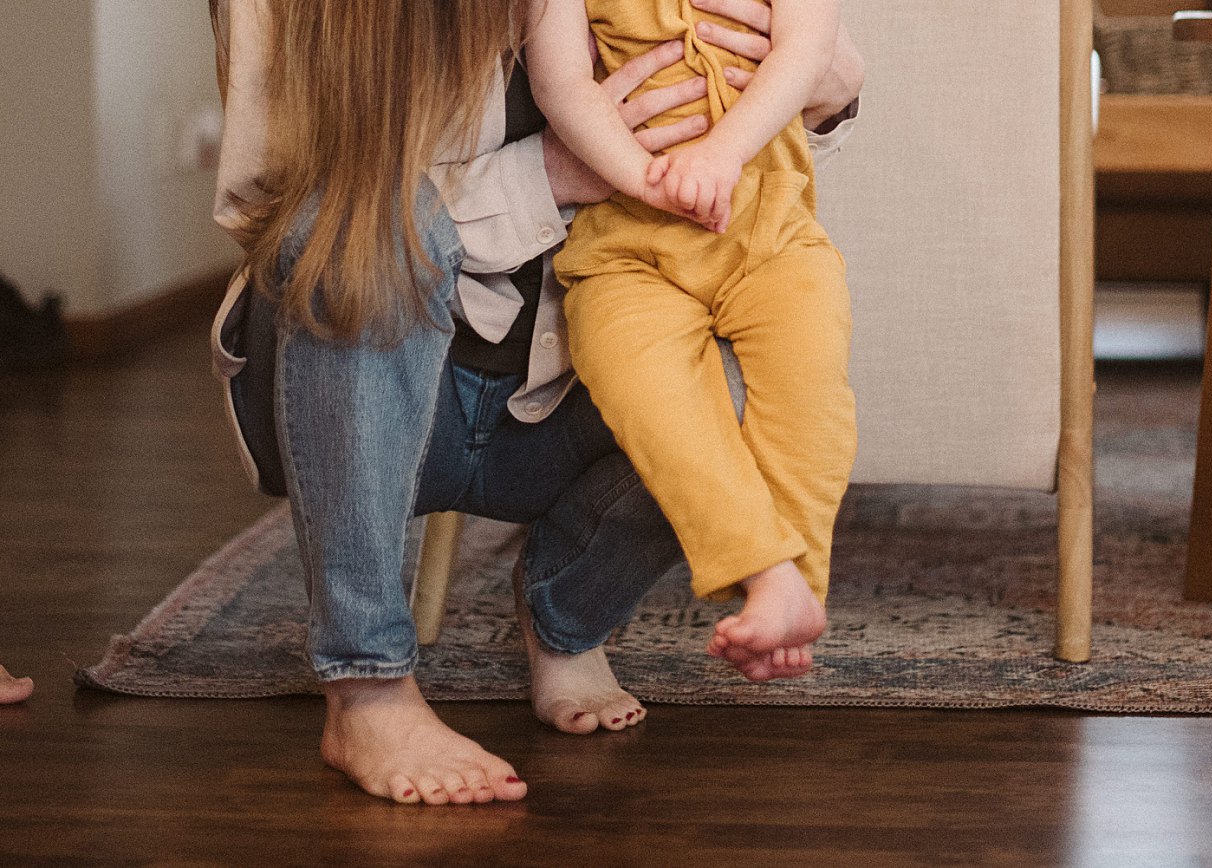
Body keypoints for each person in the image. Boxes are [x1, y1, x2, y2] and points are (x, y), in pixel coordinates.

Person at [209, 0, 862, 805]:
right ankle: (366, 686)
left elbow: (733, 203)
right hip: (365, 389)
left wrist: (822, 90)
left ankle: (567, 610)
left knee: (754, 357)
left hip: (564, 389)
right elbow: (274, 211)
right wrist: (549, 175)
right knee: (361, 232)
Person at [529, 0, 856, 682]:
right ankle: (767, 572)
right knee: (652, 401)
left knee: (808, 395)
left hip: (771, 232)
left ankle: (796, 579)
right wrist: (643, 177)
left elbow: (807, 51)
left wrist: (721, 152)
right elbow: (560, 84)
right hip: (626, 246)